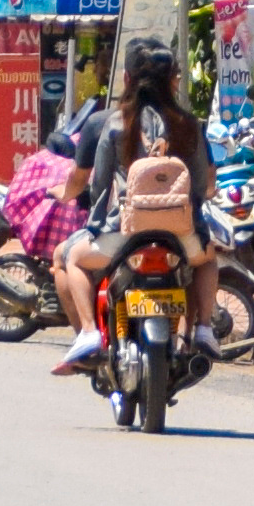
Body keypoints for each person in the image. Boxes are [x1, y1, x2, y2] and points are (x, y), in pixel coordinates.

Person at [58, 45, 223, 376]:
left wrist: (95, 227)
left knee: (71, 258)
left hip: (124, 233)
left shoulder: (116, 124)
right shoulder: (189, 124)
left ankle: (89, 332)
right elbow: (205, 186)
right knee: (208, 258)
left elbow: (100, 185)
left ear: (126, 79)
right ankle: (204, 328)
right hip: (181, 235)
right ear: (174, 81)